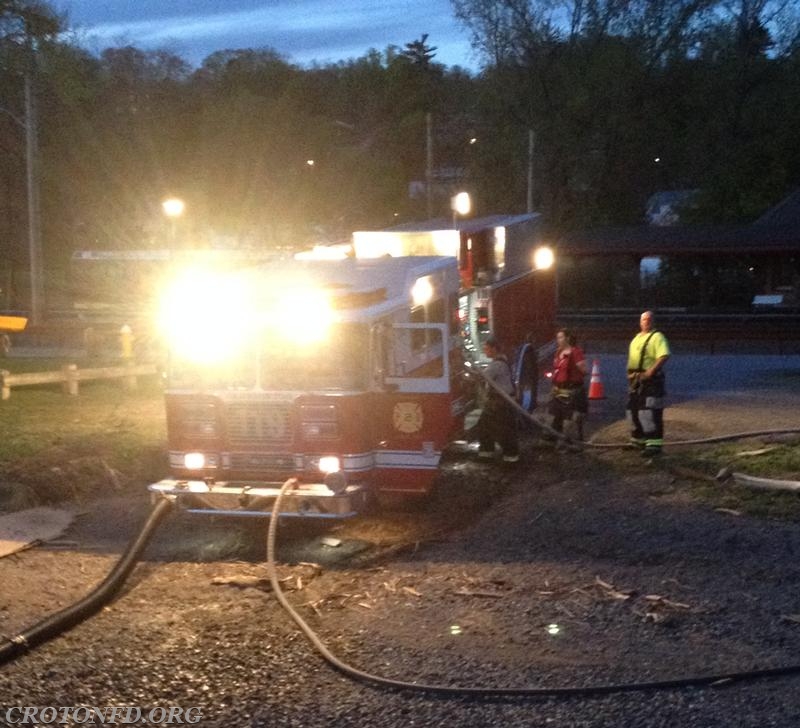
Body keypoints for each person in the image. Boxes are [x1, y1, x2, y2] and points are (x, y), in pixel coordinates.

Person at [627, 310, 670, 456]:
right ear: (640, 322)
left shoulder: (657, 337)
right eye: (643, 319)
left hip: (651, 382)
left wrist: (650, 372)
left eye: (648, 319)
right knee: (632, 411)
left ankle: (654, 445)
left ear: (653, 321)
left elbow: (663, 355)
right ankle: (638, 440)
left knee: (649, 412)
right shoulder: (637, 338)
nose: (646, 321)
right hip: (636, 381)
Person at [477, 336, 519, 463]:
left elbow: (482, 377)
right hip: (502, 401)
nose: (485, 351)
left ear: (494, 349)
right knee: (485, 426)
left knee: (502, 430)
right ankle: (488, 453)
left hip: (501, 403)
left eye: (487, 349)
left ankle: (510, 457)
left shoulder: (497, 365)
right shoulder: (501, 361)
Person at [548, 328, 588, 440]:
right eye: (557, 338)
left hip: (572, 392)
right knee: (556, 417)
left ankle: (571, 442)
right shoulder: (558, 353)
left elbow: (584, 370)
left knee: (569, 420)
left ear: (567, 338)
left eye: (561, 337)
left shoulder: (575, 352)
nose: (558, 340)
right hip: (558, 392)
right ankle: (554, 440)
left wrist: (578, 367)